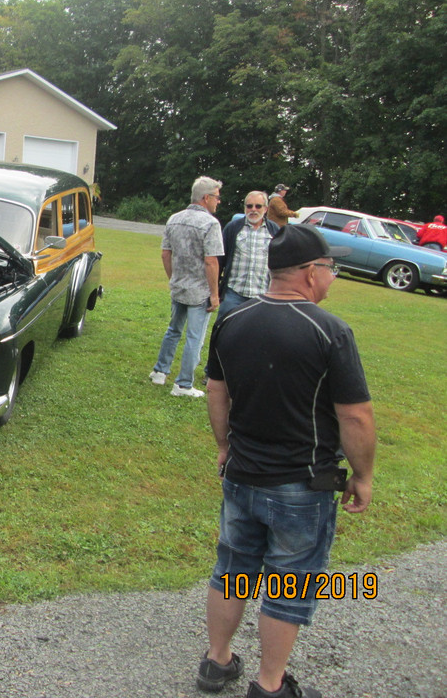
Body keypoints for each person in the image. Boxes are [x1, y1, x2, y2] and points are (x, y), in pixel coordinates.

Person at [197, 224, 377, 698]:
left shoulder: (234, 320)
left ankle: (217, 663)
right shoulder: (329, 330)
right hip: (303, 485)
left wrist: (223, 445)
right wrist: (363, 474)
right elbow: (355, 416)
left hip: (242, 475)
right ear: (309, 273)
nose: (332, 276)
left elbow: (218, 390)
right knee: (289, 585)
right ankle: (270, 685)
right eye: (330, 267)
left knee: (232, 571)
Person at [149, 176, 225, 398]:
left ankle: (159, 372)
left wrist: (174, 278)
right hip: (199, 290)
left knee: (173, 330)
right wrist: (214, 294)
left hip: (179, 286)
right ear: (206, 197)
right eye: (217, 197)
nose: (218, 202)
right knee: (195, 336)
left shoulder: (174, 219)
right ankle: (183, 384)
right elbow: (211, 261)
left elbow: (166, 253)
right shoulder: (211, 224)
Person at [216, 191, 279, 320]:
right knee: (223, 331)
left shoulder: (275, 231)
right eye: (249, 206)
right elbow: (220, 260)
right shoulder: (232, 228)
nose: (253, 210)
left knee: (257, 336)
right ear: (245, 208)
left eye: (258, 206)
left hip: (262, 295)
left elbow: (281, 263)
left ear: (266, 209)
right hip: (233, 293)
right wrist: (216, 289)